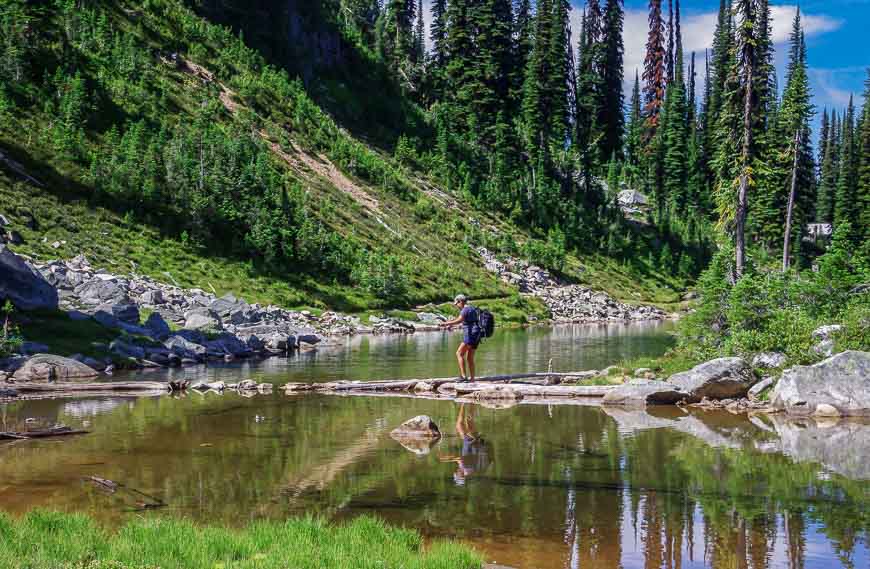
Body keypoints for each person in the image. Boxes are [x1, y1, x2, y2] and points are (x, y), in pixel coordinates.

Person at [439, 404, 491, 486]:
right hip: (473, 441)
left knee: (467, 422)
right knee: (460, 424)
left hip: (472, 442)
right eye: (457, 474)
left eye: (456, 473)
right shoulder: (467, 469)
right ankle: (464, 403)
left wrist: (447, 459)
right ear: (460, 475)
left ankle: (471, 402)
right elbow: (459, 459)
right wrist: (447, 459)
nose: (456, 472)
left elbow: (460, 460)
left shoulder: (466, 470)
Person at [440, 294, 481, 381]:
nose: (456, 306)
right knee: (470, 358)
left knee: (459, 353)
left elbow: (459, 320)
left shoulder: (465, 309)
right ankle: (472, 379)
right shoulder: (472, 308)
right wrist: (451, 325)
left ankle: (463, 377)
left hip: (471, 335)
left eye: (457, 303)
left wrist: (446, 323)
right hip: (477, 334)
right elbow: (467, 322)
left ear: (461, 301)